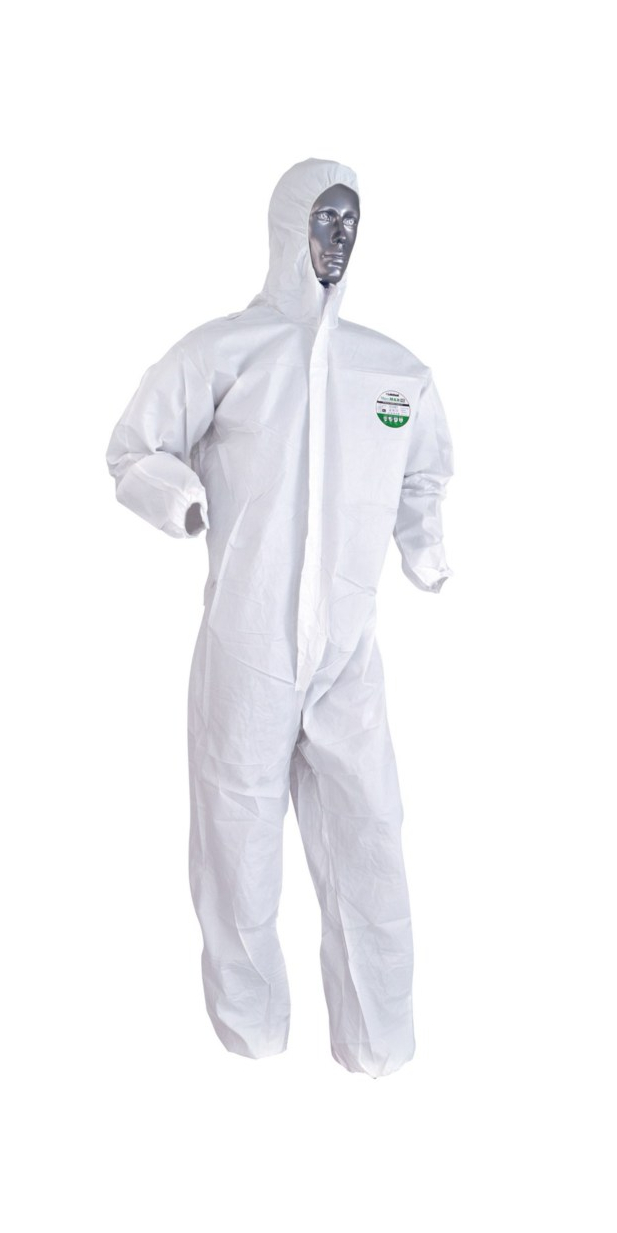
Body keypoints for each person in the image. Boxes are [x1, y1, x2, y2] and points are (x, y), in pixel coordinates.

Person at [106, 157, 454, 1076]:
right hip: (247, 646)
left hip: (348, 655)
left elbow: (424, 471)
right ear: (287, 225)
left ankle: (377, 1043)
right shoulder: (225, 352)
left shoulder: (394, 372)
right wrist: (180, 498)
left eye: (352, 222)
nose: (340, 238)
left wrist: (423, 544)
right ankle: (252, 1034)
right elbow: (134, 448)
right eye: (325, 219)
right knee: (238, 844)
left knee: (370, 837)